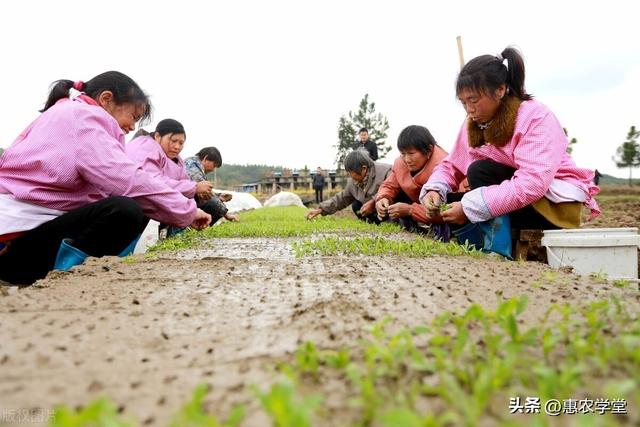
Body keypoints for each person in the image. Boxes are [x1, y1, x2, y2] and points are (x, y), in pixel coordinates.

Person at [0, 71, 211, 285]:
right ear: (106, 99)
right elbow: (128, 179)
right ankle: (58, 277)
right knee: (125, 210)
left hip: (27, 228)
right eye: (133, 117)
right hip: (16, 235)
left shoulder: (66, 112)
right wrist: (188, 210)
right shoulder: (84, 117)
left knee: (134, 204)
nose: (132, 127)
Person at [420, 47, 600, 258]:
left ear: (500, 89)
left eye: (474, 100)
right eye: (463, 102)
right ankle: (483, 239)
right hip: (516, 202)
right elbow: (452, 165)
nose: (469, 109)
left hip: (551, 205)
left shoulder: (534, 117)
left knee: (479, 172)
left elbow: (532, 184)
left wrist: (470, 206)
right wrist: (435, 189)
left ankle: (497, 249)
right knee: (452, 198)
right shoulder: (474, 123)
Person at [375, 125, 448, 233]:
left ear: (429, 150)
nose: (407, 159)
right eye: (403, 153)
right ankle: (412, 228)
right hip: (418, 204)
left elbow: (447, 210)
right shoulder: (400, 163)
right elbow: (389, 185)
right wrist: (382, 198)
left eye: (411, 153)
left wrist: (410, 210)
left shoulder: (445, 167)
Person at [306, 149, 391, 222]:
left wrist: (373, 202)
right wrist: (320, 209)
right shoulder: (353, 182)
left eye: (351, 173)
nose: (350, 176)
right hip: (375, 213)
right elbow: (341, 198)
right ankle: (373, 223)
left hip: (389, 210)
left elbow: (392, 189)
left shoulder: (385, 171)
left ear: (364, 169)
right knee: (356, 205)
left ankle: (391, 222)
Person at [184, 147, 238, 225]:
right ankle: (190, 225)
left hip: (184, 198)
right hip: (181, 200)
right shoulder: (193, 167)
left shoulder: (195, 164)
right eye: (214, 165)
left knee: (214, 201)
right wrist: (227, 215)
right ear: (206, 158)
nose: (213, 169)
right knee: (214, 204)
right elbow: (205, 192)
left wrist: (218, 196)